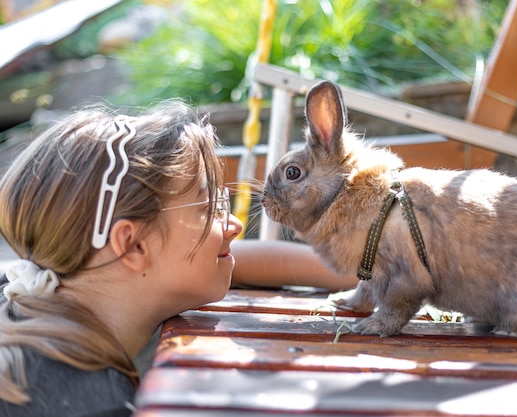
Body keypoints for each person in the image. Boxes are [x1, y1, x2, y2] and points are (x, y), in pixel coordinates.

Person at [0, 100, 355, 416]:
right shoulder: (91, 404)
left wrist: (366, 270)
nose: (233, 225)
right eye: (208, 208)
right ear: (132, 246)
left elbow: (244, 259)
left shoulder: (57, 283)